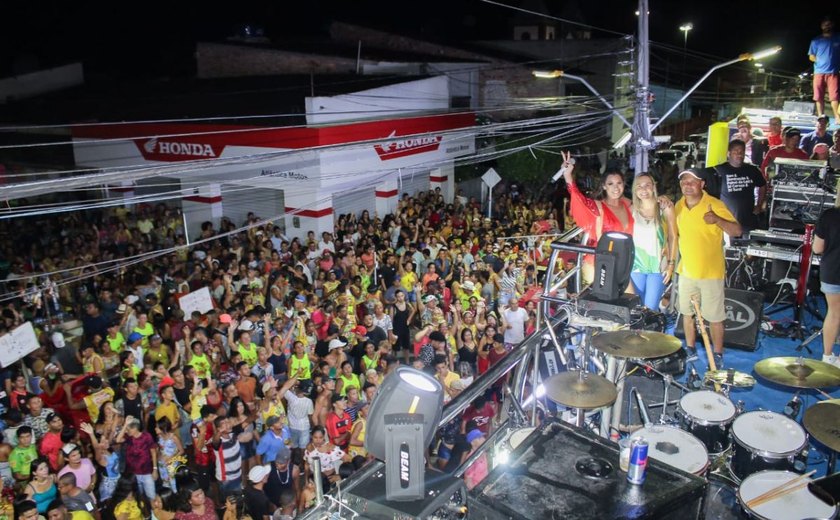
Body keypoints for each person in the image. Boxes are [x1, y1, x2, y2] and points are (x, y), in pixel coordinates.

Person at [674, 168, 742, 369]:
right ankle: (690, 348)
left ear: (702, 184)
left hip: (711, 273)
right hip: (686, 271)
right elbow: (671, 235)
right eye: (684, 181)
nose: (687, 185)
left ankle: (718, 353)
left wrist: (717, 220)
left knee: (715, 317)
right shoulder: (678, 206)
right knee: (687, 314)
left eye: (692, 181)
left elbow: (737, 230)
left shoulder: (715, 204)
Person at [561, 150, 633, 284]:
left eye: (619, 183)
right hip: (599, 265)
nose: (616, 187)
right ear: (604, 186)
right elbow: (578, 198)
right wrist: (568, 176)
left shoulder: (628, 205)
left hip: (622, 264)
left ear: (623, 184)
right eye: (611, 184)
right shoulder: (599, 207)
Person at [629, 173, 677, 310]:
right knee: (635, 308)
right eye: (639, 186)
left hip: (658, 267)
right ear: (634, 189)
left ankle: (651, 330)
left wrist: (671, 264)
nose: (643, 190)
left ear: (653, 187)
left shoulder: (665, 206)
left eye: (647, 185)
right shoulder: (632, 209)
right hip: (636, 266)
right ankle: (637, 332)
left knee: (650, 308)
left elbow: (673, 236)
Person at [710, 140, 767, 236]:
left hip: (748, 221)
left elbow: (762, 185)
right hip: (726, 220)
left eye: (742, 152)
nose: (739, 154)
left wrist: (759, 205)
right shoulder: (719, 170)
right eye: (735, 151)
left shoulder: (752, 170)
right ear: (729, 153)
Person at [813, 199, 840, 368]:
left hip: (832, 270)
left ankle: (828, 356)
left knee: (834, 313)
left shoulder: (829, 215)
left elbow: (817, 248)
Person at [115, 416, 157, 500]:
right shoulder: (128, 438)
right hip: (133, 474)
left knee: (151, 496)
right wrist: (125, 425)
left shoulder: (146, 436)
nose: (127, 431)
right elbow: (118, 440)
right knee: (138, 496)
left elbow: (153, 452)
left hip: (146, 472)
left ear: (135, 428)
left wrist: (155, 469)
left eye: (128, 429)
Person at [809, 16, 840, 121]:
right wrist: (818, 59)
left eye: (829, 24)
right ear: (822, 26)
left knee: (834, 96)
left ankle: (837, 116)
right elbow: (811, 56)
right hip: (818, 72)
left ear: (832, 25)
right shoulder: (816, 40)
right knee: (818, 96)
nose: (827, 26)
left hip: (833, 72)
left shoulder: (838, 38)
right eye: (825, 24)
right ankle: (820, 116)